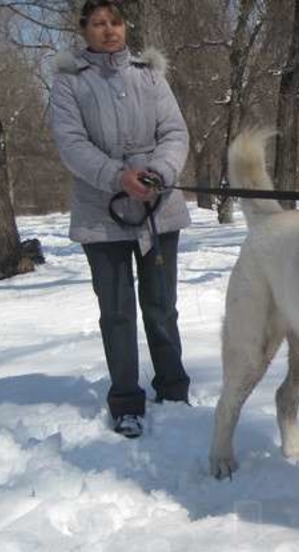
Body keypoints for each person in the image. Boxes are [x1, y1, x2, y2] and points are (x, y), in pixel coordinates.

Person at [50, 0, 191, 438]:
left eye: (115, 21)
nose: (109, 30)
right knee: (116, 312)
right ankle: (127, 401)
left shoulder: (150, 74)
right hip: (101, 211)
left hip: (157, 207)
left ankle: (173, 390)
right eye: (99, 23)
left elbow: (174, 132)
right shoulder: (69, 82)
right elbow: (70, 142)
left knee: (161, 306)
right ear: (84, 29)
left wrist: (160, 172)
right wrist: (116, 176)